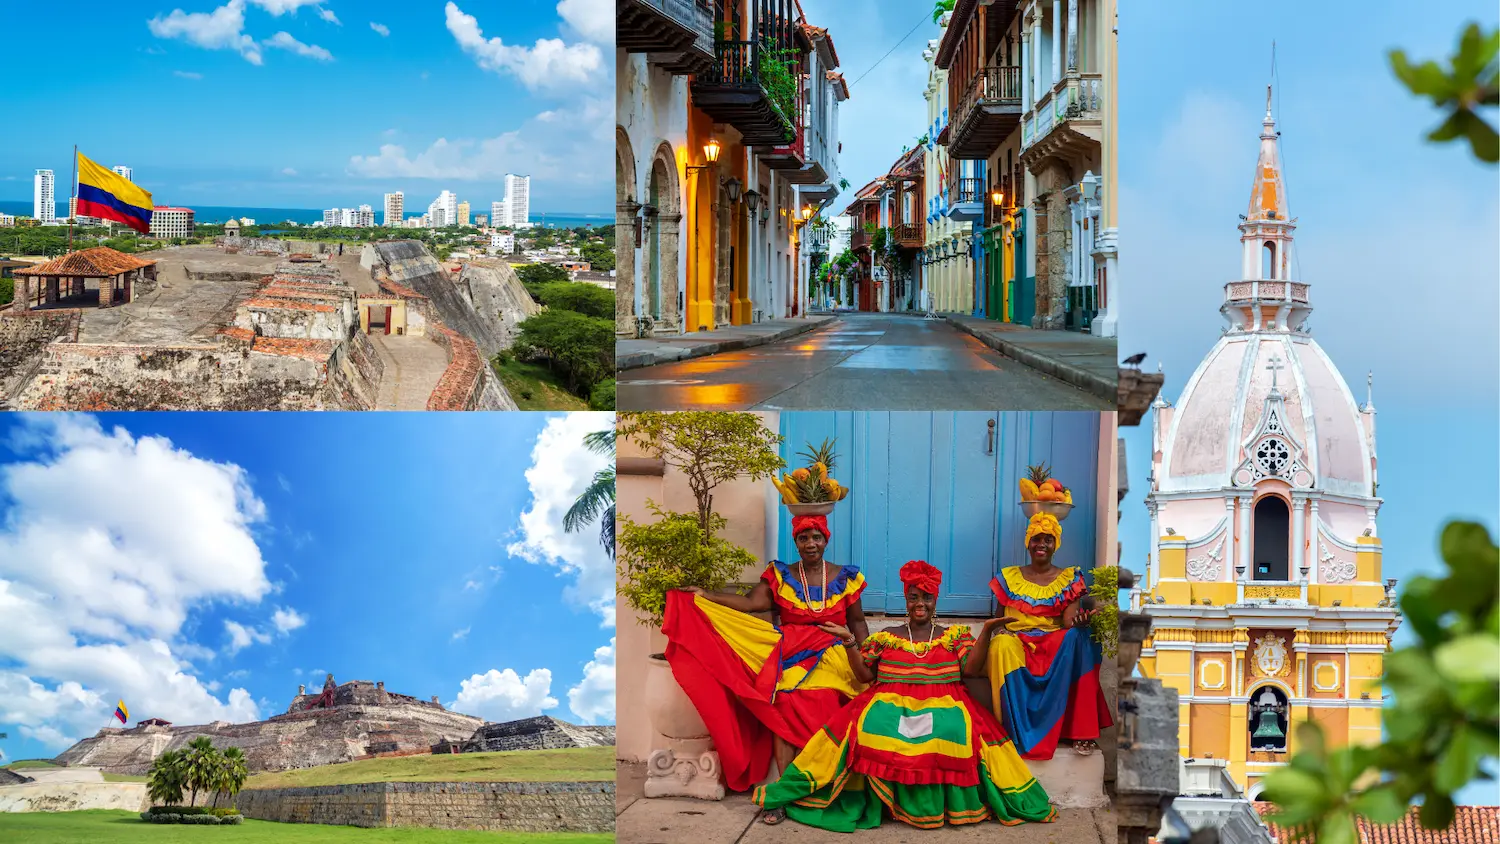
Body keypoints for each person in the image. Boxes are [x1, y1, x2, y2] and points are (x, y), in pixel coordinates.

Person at [752, 560, 1057, 831]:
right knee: (875, 728)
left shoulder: (954, 637)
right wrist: (848, 641)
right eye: (913, 598)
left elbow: (972, 670)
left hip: (945, 700)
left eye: (926, 597)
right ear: (906, 601)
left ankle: (929, 808)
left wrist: (987, 631)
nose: (919, 604)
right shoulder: (887, 637)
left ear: (935, 600)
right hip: (888, 700)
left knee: (949, 729)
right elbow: (864, 676)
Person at [661, 513, 869, 818]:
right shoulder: (780, 575)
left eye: (816, 537)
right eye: (803, 538)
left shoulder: (846, 577)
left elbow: (858, 622)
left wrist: (867, 656)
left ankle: (821, 785)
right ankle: (783, 793)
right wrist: (708, 596)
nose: (810, 544)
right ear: (796, 543)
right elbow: (751, 603)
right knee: (782, 700)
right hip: (790, 653)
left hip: (834, 654)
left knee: (826, 696)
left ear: (826, 540)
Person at [985, 512, 1113, 760]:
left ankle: (1081, 730)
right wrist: (1000, 631)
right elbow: (998, 619)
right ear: (1028, 542)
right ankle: (1012, 730)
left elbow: (1068, 622)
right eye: (1036, 539)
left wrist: (1081, 621)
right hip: (1017, 642)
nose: (1041, 544)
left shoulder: (1069, 578)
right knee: (1000, 644)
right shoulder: (1008, 577)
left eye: (1048, 539)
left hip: (1052, 641)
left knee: (1080, 638)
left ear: (1056, 545)